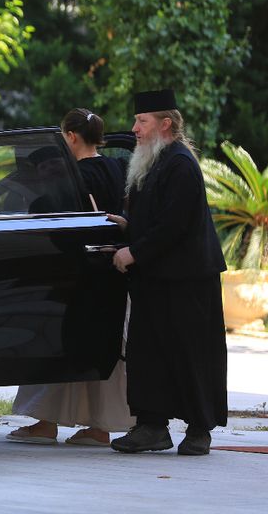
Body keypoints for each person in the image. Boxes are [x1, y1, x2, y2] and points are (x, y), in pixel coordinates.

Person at [109, 89, 227, 455]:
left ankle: (198, 430)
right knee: (149, 354)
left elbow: (174, 225)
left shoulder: (180, 164)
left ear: (165, 124)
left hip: (187, 280)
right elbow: (156, 218)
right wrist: (129, 227)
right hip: (156, 278)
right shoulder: (155, 160)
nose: (135, 129)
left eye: (141, 121)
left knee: (191, 355)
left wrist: (134, 252)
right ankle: (152, 427)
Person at [8, 108, 134, 447]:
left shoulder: (75, 174)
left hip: (78, 274)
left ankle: (47, 422)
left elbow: (47, 213)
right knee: (103, 350)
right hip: (113, 273)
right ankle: (98, 427)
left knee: (57, 344)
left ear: (72, 137)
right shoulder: (118, 166)